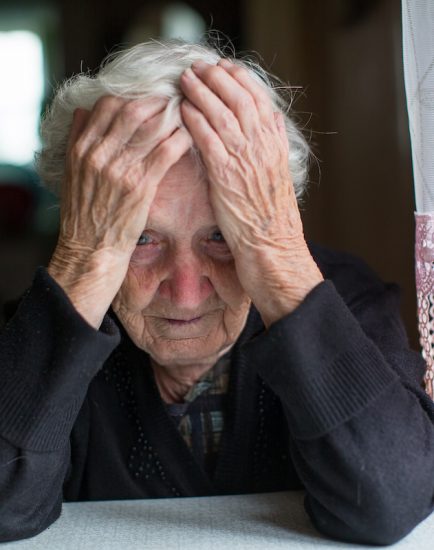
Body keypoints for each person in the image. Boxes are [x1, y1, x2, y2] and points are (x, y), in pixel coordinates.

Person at [0, 38, 433, 546]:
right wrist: (82, 265)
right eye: (139, 238)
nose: (185, 293)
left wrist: (278, 257)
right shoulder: (35, 334)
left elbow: (393, 500)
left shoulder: (344, 301)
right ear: (85, 226)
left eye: (222, 237)